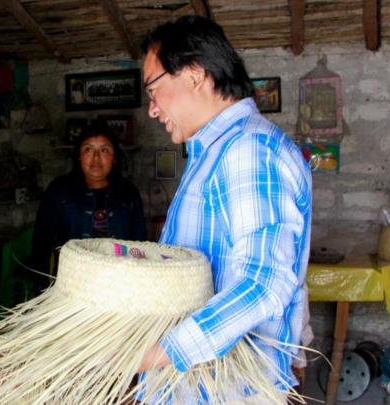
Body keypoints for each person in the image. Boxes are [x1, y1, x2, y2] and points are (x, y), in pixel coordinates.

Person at [135, 16, 313, 403]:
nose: (152, 109)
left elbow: (262, 284)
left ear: (195, 75)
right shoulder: (215, 151)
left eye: (153, 89)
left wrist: (156, 354)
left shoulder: (249, 150)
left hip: (223, 392)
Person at [32, 121, 147, 278]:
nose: (96, 157)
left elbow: (140, 245)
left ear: (114, 157)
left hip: (120, 284)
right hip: (72, 285)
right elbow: (41, 243)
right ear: (79, 156)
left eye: (104, 150)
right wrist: (43, 289)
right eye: (88, 149)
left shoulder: (128, 193)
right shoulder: (59, 190)